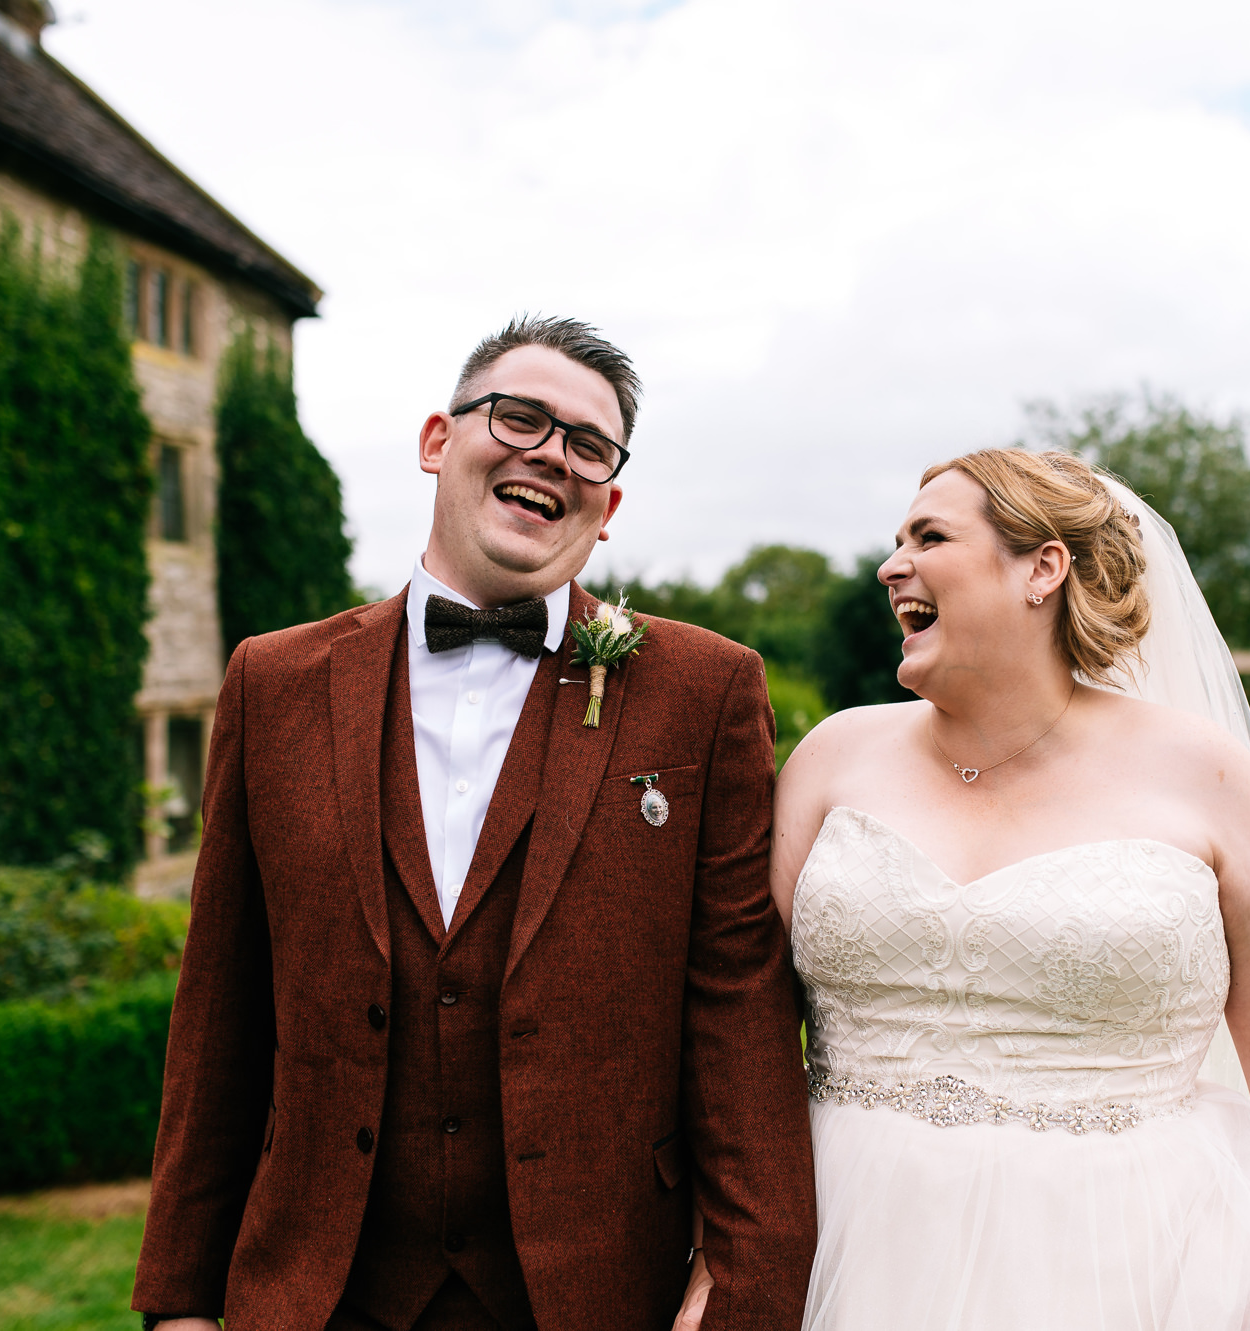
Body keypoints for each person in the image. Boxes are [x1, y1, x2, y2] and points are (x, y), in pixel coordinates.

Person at [132, 317, 816, 1331]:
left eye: (588, 444)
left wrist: (746, 1296)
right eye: (519, 416)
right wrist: (179, 1299)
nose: (551, 453)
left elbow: (738, 1009)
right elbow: (219, 1007)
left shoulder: (702, 689)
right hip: (323, 1290)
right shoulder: (271, 682)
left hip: (598, 1290)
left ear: (609, 502)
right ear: (435, 441)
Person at [771, 448, 1250, 1331]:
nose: (893, 566)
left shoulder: (1210, 778)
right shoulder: (831, 757)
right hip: (846, 1230)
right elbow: (746, 1013)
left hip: (1133, 1244)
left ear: (1042, 567)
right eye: (896, 541)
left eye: (930, 536)